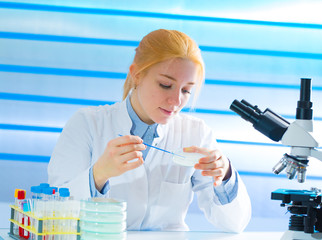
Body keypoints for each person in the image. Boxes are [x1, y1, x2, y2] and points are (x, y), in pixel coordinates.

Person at [48, 29, 251, 232]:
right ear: (137, 75)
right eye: (165, 85)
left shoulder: (196, 132)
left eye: (186, 90)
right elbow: (56, 214)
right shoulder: (88, 124)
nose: (177, 101)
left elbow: (235, 224)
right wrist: (99, 174)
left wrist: (225, 174)